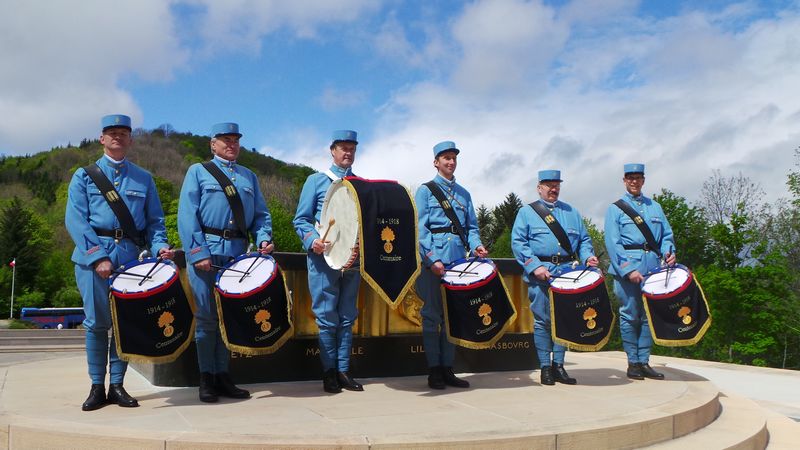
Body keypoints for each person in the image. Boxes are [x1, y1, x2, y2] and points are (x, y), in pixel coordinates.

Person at [65, 114, 174, 411]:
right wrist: (97, 256)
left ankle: (117, 385)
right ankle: (96, 387)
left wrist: (161, 246)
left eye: (123, 133)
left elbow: (155, 223)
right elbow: (75, 220)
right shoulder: (84, 175)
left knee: (125, 325)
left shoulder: (144, 178)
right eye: (111, 133)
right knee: (97, 324)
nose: (117, 137)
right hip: (93, 260)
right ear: (102, 138)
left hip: (130, 261)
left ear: (130, 139)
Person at [178, 122, 274, 402]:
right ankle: (206, 378)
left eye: (235, 140)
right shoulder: (198, 171)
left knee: (227, 319)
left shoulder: (249, 177)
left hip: (236, 255)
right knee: (207, 318)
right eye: (225, 140)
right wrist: (198, 253)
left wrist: (264, 237)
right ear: (213, 144)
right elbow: (187, 215)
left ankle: (223, 376)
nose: (231, 144)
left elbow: (260, 215)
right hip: (207, 252)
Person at [293, 130, 364, 393]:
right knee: (326, 317)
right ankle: (328, 372)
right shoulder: (316, 181)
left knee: (347, 316)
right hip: (323, 258)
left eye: (352, 149)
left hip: (353, 260)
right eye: (343, 148)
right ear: (332, 151)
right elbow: (300, 219)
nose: (348, 153)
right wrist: (312, 240)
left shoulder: (361, 184)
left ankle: (344, 370)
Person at [511, 170, 598, 386]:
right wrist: (535, 267)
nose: (553, 188)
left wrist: (588, 257)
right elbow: (518, 243)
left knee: (565, 320)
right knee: (542, 321)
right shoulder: (527, 212)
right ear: (539, 187)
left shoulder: (572, 212)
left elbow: (584, 241)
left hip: (568, 274)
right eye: (548, 184)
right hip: (541, 273)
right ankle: (545, 367)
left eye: (556, 184)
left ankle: (559, 365)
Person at [415, 141, 488, 390]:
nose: (450, 162)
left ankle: (448, 369)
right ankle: (433, 370)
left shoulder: (465, 194)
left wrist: (476, 246)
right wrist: (432, 258)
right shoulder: (425, 191)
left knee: (452, 318)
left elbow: (472, 228)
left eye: (453, 158)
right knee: (431, 316)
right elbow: (421, 228)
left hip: (459, 261)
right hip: (434, 262)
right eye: (445, 158)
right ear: (436, 162)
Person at [604, 163, 675, 380]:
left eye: (638, 178)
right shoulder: (615, 209)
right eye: (630, 178)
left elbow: (666, 235)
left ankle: (644, 361)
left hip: (653, 269)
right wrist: (628, 270)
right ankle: (632, 362)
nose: (634, 181)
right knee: (630, 315)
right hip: (628, 269)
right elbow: (613, 243)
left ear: (643, 180)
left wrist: (669, 252)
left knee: (648, 317)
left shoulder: (656, 207)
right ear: (624, 181)